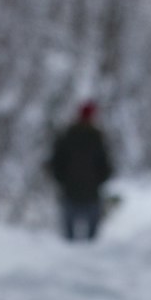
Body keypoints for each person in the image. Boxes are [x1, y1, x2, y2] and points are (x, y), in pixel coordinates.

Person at [48, 101, 114, 242]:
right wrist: (98, 181)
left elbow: (55, 164)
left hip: (70, 193)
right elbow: (106, 167)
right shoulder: (97, 138)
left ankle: (67, 262)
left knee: (68, 241)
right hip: (91, 195)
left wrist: (62, 181)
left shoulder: (67, 135)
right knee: (92, 243)